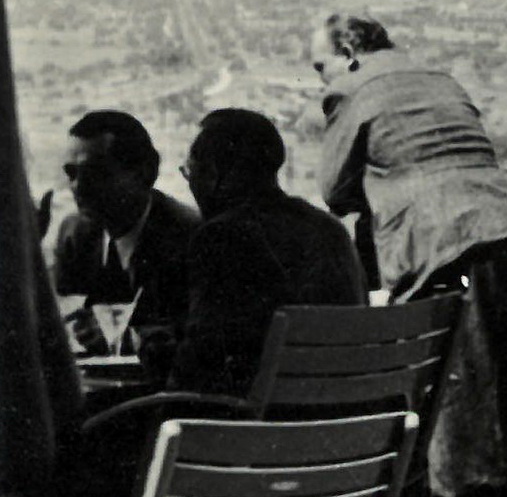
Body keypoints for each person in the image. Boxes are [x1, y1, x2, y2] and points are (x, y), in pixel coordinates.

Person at [312, 13, 507, 497]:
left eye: (320, 64)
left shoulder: (352, 91)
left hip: (443, 249)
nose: (320, 79)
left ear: (350, 53)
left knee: (463, 407)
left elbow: (334, 192)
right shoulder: (442, 81)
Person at [172, 108, 367, 395]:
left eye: (189, 172)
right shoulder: (329, 229)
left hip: (265, 429)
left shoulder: (221, 236)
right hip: (351, 421)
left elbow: (197, 369)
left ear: (213, 174)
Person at [49, 110, 199, 370]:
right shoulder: (74, 234)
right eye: (71, 173)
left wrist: (126, 336)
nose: (79, 187)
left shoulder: (191, 236)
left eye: (96, 172)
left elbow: (196, 337)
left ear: (146, 172)